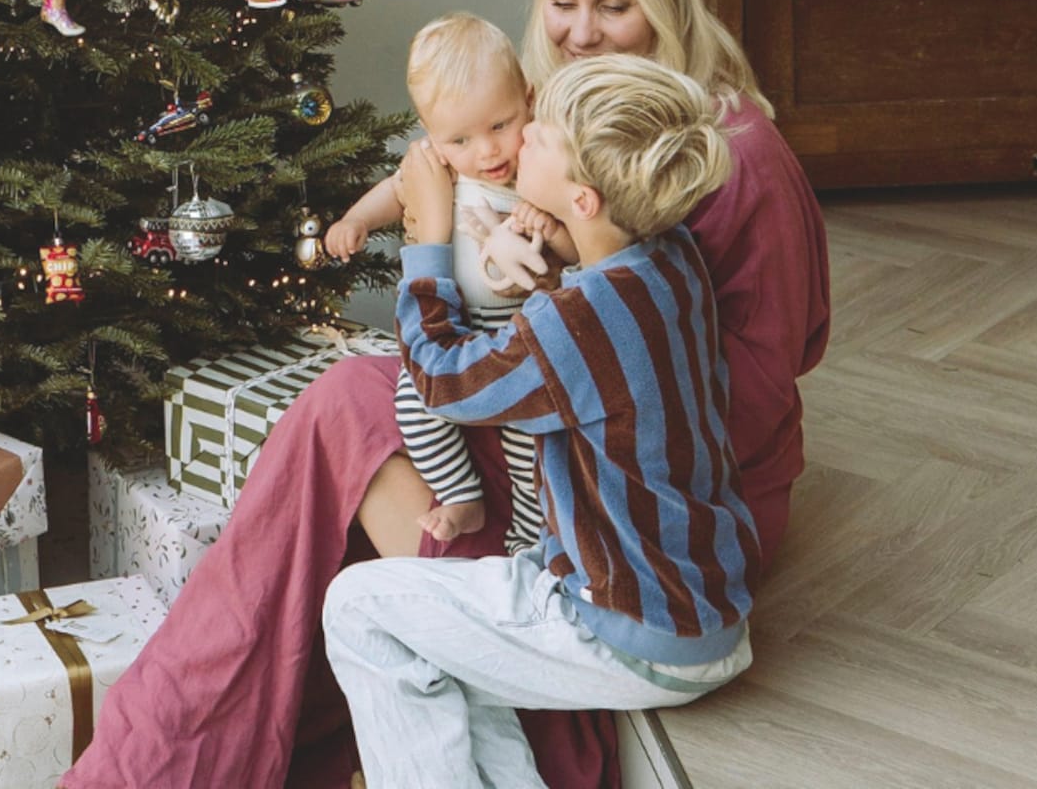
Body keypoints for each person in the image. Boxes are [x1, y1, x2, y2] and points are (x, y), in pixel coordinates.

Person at [63, 0, 830, 789]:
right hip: (586, 441)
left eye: (615, 6)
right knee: (348, 412)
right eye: (563, 2)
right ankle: (173, 749)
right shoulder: (585, 147)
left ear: (667, 5)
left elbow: (740, 398)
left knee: (357, 447)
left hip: (651, 509)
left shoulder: (723, 157)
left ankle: (165, 760)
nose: (581, 32)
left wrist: (438, 254)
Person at [324, 56, 759, 789]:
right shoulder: (670, 254)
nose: (524, 135)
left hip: (631, 627)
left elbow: (441, 380)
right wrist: (557, 239)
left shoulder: (578, 323)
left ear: (583, 198)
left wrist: (428, 240)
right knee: (449, 649)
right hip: (706, 609)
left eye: (543, 133)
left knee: (357, 608)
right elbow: (605, 320)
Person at [324, 15, 548, 554]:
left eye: (500, 125)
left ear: (528, 100)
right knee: (414, 402)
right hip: (455, 331)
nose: (487, 151)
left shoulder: (539, 164)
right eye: (460, 139)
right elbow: (394, 190)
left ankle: (529, 542)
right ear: (433, 136)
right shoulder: (442, 171)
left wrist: (543, 214)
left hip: (520, 334)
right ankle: (461, 494)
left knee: (533, 442)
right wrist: (356, 219)